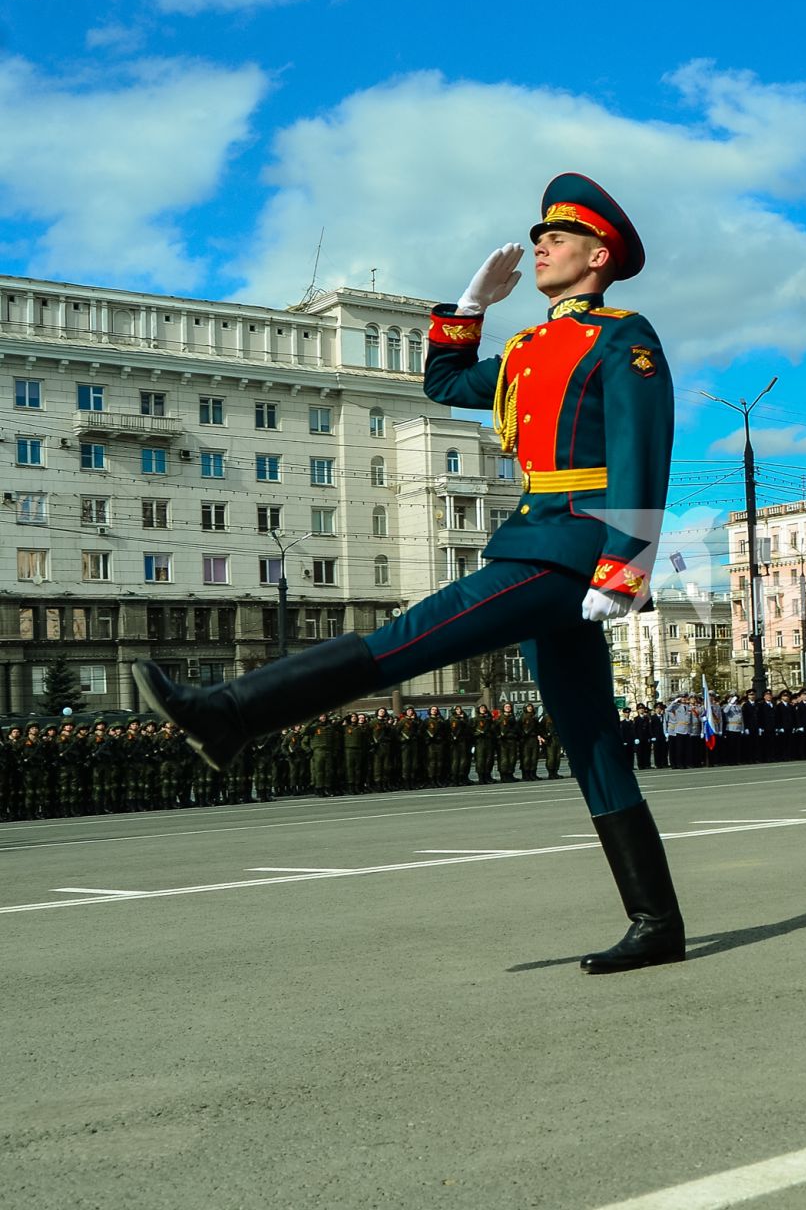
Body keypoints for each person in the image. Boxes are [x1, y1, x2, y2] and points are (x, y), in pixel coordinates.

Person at [131, 173, 685, 973]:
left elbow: (644, 454)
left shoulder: (625, 340)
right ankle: (656, 922)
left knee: (406, 641)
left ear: (599, 256)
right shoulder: (530, 350)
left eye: (556, 240)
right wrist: (469, 307)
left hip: (568, 552)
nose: (540, 247)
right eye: (538, 238)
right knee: (592, 739)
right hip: (537, 538)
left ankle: (230, 714)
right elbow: (447, 384)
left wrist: (622, 569)